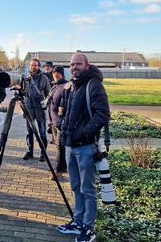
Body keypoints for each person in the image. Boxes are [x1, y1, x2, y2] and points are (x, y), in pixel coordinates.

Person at [56, 53, 110, 242]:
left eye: (78, 64)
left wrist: (82, 133)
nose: (74, 67)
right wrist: (61, 125)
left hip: (86, 147)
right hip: (70, 146)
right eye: (71, 64)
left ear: (87, 66)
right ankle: (77, 221)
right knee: (75, 186)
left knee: (87, 189)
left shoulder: (93, 85)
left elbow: (102, 115)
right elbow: (64, 111)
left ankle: (88, 227)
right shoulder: (71, 86)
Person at [23, 58, 50, 162]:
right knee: (29, 131)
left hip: (39, 108)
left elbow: (48, 93)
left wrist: (45, 103)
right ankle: (30, 151)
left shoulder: (44, 78)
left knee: (42, 131)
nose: (33, 67)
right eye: (31, 65)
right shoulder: (26, 78)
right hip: (29, 107)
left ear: (39, 66)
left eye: (35, 65)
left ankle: (43, 153)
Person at [48, 66, 68, 180]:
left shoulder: (65, 86)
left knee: (60, 146)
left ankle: (58, 170)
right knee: (59, 146)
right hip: (54, 122)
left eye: (58, 73)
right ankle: (63, 167)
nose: (56, 75)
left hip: (61, 122)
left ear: (62, 74)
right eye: (54, 73)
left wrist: (61, 121)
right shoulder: (55, 86)